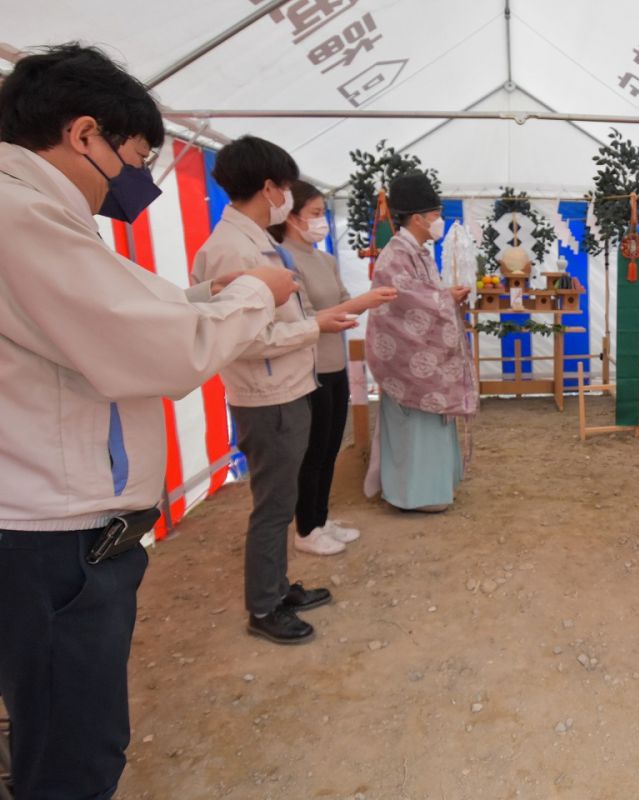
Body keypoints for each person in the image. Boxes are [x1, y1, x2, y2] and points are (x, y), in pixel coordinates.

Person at [0, 44, 298, 800]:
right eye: (132, 157)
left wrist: (211, 300)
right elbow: (160, 348)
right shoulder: (21, 216)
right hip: (55, 535)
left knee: (53, 725)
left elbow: (126, 307)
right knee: (75, 751)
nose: (134, 180)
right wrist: (256, 295)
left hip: (52, 525)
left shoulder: (40, 216)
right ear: (84, 134)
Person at [192, 136, 395, 644]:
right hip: (266, 394)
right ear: (269, 187)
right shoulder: (229, 251)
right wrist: (316, 327)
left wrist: (317, 320)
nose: (287, 197)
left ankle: (278, 588)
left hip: (287, 384)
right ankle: (264, 607)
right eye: (285, 188)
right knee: (275, 505)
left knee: (283, 498)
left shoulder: (259, 243)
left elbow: (280, 319)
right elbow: (241, 340)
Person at [364, 173, 477, 512]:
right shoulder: (395, 255)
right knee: (414, 426)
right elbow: (404, 304)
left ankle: (436, 486)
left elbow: (423, 296)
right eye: (436, 214)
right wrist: (444, 300)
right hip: (408, 358)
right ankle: (414, 495)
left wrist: (445, 296)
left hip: (424, 352)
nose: (438, 221)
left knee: (430, 425)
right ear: (417, 218)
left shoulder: (419, 251)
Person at [269, 180, 361, 556]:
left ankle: (321, 518)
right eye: (316, 214)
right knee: (313, 451)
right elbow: (302, 316)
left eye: (323, 214)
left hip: (335, 363)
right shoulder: (281, 259)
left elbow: (343, 301)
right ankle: (305, 528)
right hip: (310, 368)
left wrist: (343, 309)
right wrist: (336, 313)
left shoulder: (325, 259)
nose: (322, 222)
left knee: (331, 447)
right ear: (291, 218)